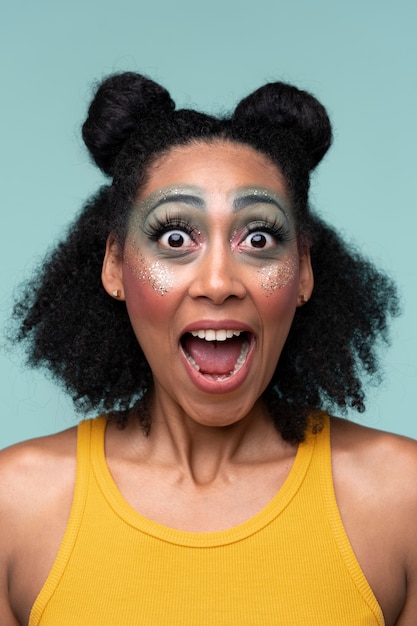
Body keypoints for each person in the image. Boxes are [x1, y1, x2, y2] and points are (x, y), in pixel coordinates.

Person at [1, 72, 416, 625]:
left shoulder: (400, 498)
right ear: (115, 265)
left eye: (259, 238)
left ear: (305, 272)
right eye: (175, 238)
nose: (219, 281)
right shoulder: (16, 505)